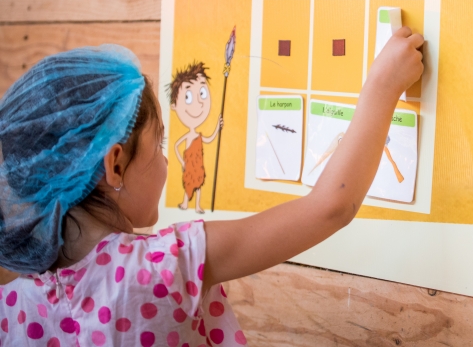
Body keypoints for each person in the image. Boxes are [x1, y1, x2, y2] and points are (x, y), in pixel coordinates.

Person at [0, 28, 423, 346]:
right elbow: (332, 206)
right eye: (158, 143)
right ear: (114, 165)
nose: (167, 161)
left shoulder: (11, 307)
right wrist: (384, 86)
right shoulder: (166, 265)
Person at [169, 61, 222, 214]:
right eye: (188, 96)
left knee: (198, 183)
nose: (198, 102)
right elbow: (176, 146)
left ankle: (197, 205)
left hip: (198, 166)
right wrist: (182, 162)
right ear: (174, 106)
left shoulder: (198, 135)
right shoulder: (188, 135)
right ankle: (186, 203)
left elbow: (209, 139)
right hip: (189, 165)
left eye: (202, 94)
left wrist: (217, 128)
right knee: (188, 183)